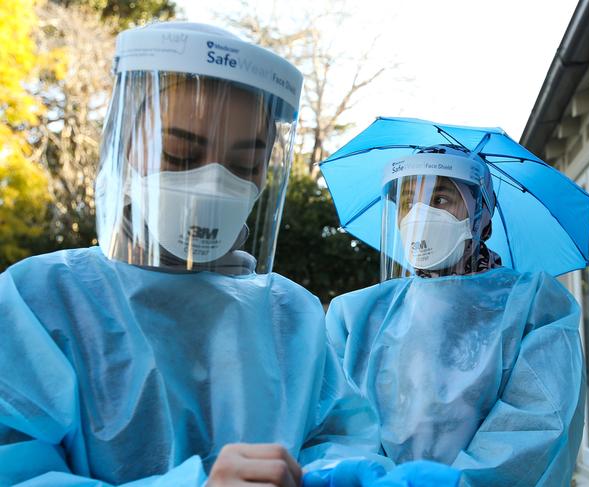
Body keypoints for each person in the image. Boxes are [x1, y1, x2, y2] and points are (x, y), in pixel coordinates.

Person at [0, 22, 386, 486]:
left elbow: (340, 439)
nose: (212, 184)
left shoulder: (291, 314)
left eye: (244, 166)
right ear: (125, 149)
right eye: (180, 155)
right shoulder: (41, 299)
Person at [326, 145, 586, 486]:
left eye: (441, 199)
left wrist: (457, 482)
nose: (419, 214)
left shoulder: (534, 305)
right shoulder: (356, 314)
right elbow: (334, 423)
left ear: (481, 217)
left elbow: (538, 423)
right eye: (407, 202)